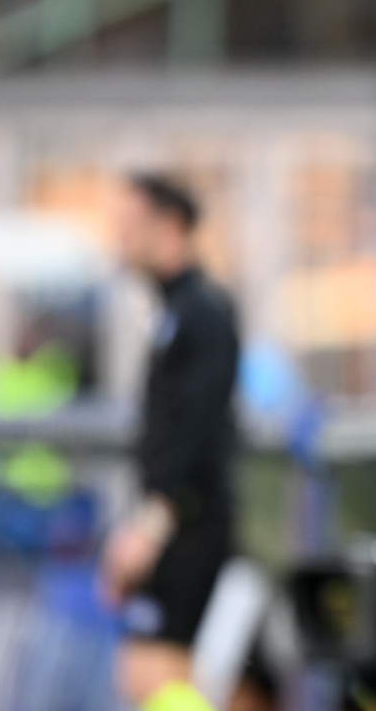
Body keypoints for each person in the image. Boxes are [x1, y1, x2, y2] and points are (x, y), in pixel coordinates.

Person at [100, 175, 239, 710]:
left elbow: (196, 430)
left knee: (160, 671)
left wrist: (149, 525)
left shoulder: (201, 311)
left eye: (131, 225)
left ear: (171, 225)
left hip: (188, 526)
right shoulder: (175, 310)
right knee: (147, 672)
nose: (120, 237)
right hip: (176, 524)